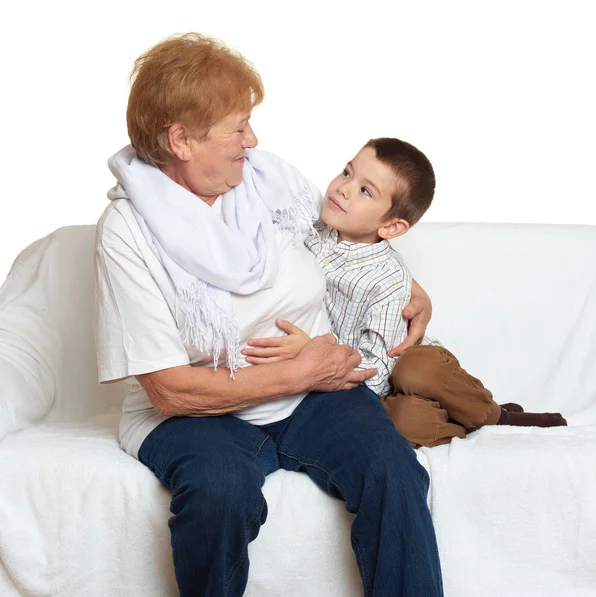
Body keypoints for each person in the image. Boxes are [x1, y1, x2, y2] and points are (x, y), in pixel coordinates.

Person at [94, 33, 443, 596]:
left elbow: (346, 235)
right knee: (219, 493)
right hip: (199, 416)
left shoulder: (265, 179)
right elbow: (169, 391)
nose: (251, 139)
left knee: (394, 471)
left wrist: (408, 285)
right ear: (182, 140)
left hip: (314, 397)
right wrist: (303, 371)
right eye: (237, 127)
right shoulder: (128, 232)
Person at [243, 137, 567, 448]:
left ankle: (492, 415)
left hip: (391, 366)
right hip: (361, 389)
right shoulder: (311, 230)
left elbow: (379, 369)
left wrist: (313, 353)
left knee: (416, 371)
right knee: (402, 423)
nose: (343, 187)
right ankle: (462, 425)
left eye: (365, 191)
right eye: (346, 172)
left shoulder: (387, 280)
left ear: (392, 227)